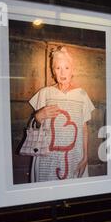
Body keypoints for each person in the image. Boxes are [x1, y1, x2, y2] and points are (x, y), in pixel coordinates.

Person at [28, 46, 95, 182]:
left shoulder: (81, 95)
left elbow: (84, 128)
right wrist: (38, 117)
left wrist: (85, 157)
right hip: (47, 158)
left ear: (72, 71)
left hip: (74, 156)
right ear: (53, 71)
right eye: (58, 68)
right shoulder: (45, 93)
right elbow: (35, 125)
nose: (62, 72)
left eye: (66, 68)